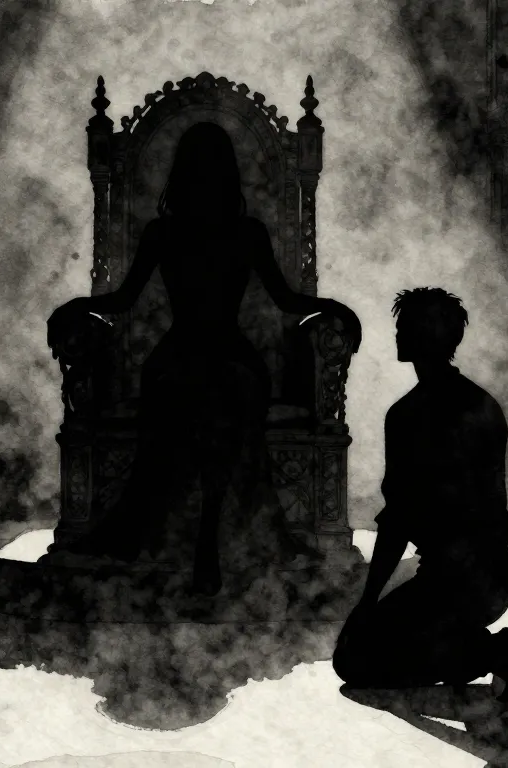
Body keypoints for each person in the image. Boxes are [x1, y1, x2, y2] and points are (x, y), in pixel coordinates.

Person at [46, 122, 361, 595]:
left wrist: (333, 308)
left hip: (203, 355)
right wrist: (75, 308)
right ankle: (208, 530)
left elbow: (123, 300)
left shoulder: (194, 232)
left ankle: (207, 533)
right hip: (205, 356)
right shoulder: (205, 232)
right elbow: (286, 300)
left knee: (211, 389)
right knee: (210, 390)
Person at [332, 287, 508, 702]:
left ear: (424, 335)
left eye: (404, 327)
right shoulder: (484, 404)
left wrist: (367, 600)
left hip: (450, 584)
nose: (397, 335)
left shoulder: (408, 415)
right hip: (495, 579)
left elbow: (397, 520)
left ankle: (505, 649)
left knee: (353, 662)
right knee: (401, 645)